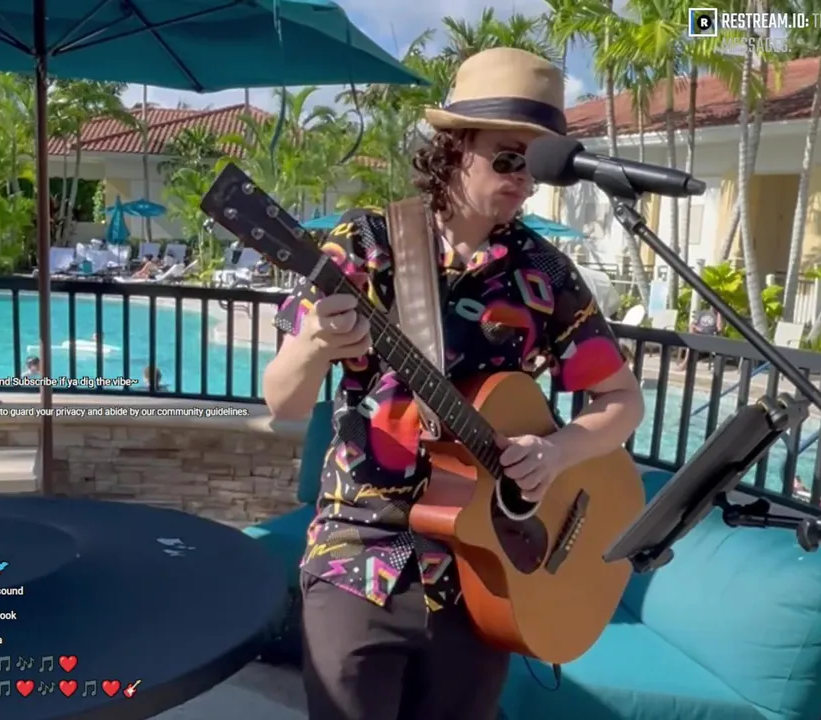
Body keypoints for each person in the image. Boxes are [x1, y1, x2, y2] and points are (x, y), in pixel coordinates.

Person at [263, 48, 646, 720]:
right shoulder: (367, 243)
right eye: (507, 157)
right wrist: (318, 344)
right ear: (454, 148)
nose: (523, 179)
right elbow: (283, 402)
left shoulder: (545, 272)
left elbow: (623, 401)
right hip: (360, 556)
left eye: (534, 165)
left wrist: (556, 452)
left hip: (487, 571)